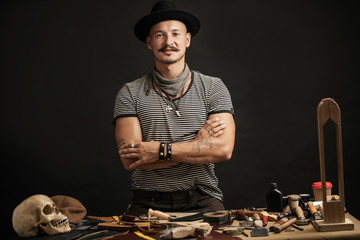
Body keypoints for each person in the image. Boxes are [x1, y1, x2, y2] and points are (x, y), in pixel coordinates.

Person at [113, 0, 235, 216]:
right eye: (160, 35)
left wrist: (158, 151)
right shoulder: (130, 92)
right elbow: (132, 160)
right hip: (146, 200)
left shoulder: (213, 87)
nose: (169, 41)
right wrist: (197, 147)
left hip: (202, 198)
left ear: (187, 40)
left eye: (176, 34)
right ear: (149, 42)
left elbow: (223, 150)